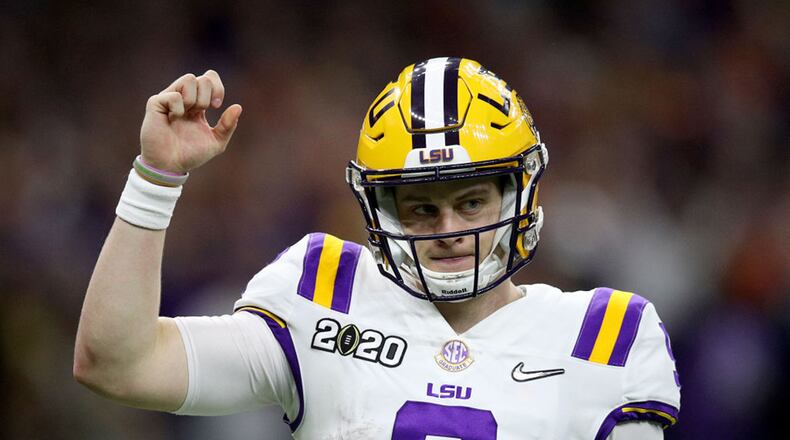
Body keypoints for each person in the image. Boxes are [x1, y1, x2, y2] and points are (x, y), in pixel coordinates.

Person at [74, 57, 680, 439]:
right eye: (420, 208)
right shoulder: (324, 291)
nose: (446, 228)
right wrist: (156, 179)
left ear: (517, 196)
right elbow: (116, 364)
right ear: (379, 209)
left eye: (470, 202)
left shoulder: (607, 338)